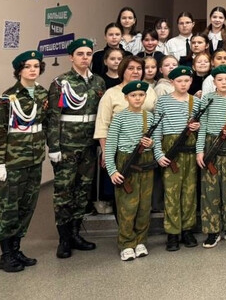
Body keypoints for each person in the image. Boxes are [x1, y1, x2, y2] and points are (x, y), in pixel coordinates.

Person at [46, 38, 105, 259]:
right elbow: (53, 118)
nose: (85, 58)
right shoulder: (61, 83)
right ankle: (63, 239)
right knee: (64, 192)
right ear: (71, 57)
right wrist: (54, 146)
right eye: (80, 54)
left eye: (88, 54)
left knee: (83, 192)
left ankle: (75, 234)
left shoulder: (98, 82)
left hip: (88, 145)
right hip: (67, 146)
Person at [0, 51, 48, 273]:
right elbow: (1, 131)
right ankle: (6, 254)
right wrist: (0, 162)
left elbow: (45, 124)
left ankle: (17, 248)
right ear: (19, 70)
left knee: (28, 206)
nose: (32, 70)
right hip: (13, 161)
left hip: (35, 158)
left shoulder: (42, 93)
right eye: (27, 66)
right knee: (9, 208)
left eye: (36, 66)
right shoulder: (8, 97)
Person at [105, 81, 160, 261]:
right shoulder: (119, 118)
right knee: (127, 206)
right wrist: (112, 170)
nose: (137, 98)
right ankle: (126, 243)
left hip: (145, 163)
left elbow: (155, 141)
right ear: (126, 97)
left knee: (144, 205)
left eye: (141, 95)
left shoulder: (149, 117)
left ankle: (141, 240)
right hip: (126, 161)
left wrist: (151, 144)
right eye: (133, 95)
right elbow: (110, 145)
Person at [196, 65, 226, 248]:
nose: (224, 83)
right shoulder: (207, 99)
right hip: (211, 145)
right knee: (210, 190)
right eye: (220, 79)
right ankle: (212, 230)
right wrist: (200, 150)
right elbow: (202, 125)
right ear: (214, 81)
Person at [152, 66, 200, 251]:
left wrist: (197, 127)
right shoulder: (163, 101)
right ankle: (172, 232)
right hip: (170, 150)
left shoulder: (195, 102)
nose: (183, 84)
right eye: (179, 81)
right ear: (172, 82)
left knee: (189, 191)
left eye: (187, 81)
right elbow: (157, 128)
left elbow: (201, 127)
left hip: (190, 151)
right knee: (171, 192)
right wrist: (158, 153)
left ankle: (187, 229)